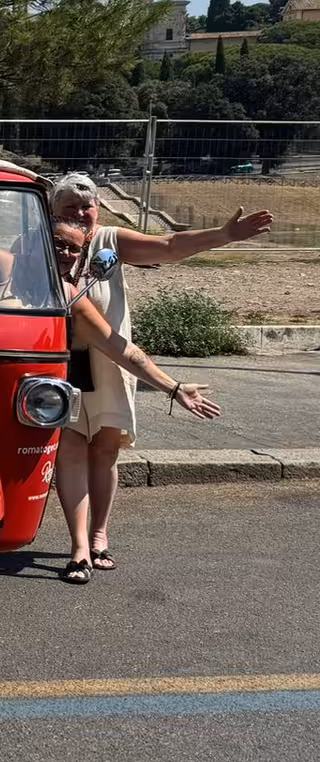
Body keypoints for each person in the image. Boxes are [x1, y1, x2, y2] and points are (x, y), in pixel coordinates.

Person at [49, 171, 271, 574]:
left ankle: (100, 535)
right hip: (59, 365)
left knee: (105, 449)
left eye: (88, 206)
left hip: (114, 360)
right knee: (70, 452)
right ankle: (79, 546)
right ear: (52, 213)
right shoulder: (42, 245)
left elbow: (170, 246)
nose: (81, 214)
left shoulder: (110, 241)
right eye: (70, 208)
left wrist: (223, 236)